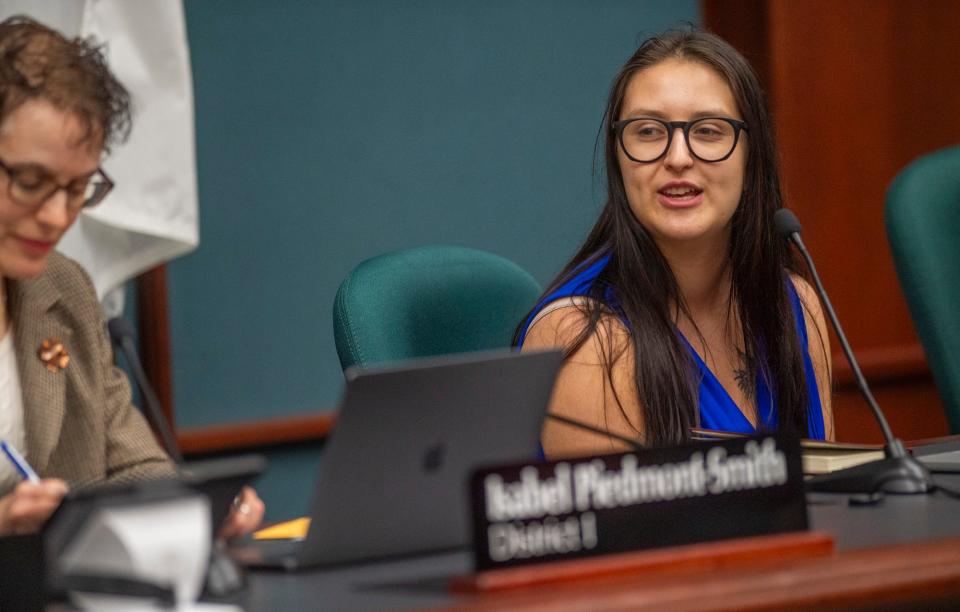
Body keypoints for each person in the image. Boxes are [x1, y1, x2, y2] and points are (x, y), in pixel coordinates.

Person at [0, 16, 263, 536]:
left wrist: (197, 513)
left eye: (78, 188)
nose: (57, 216)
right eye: (31, 183)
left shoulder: (63, 290)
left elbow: (133, 469)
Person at [517, 28, 834, 459]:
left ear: (751, 154)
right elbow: (624, 529)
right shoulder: (586, 338)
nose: (678, 157)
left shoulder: (794, 302)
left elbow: (831, 498)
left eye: (708, 131)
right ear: (618, 157)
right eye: (648, 131)